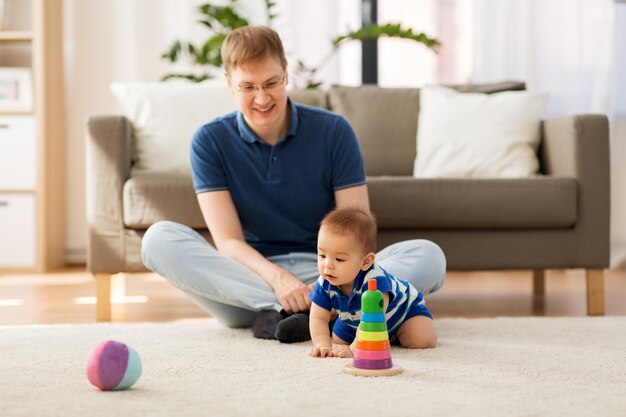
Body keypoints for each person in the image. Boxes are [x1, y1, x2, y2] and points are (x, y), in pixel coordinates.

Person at [141, 25, 446, 343]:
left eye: (271, 83)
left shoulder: (333, 131)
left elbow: (355, 230)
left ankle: (295, 314)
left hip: (333, 276)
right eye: (248, 86)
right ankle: (310, 312)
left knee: (428, 256)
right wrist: (279, 281)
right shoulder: (209, 140)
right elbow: (229, 242)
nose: (261, 98)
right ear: (229, 82)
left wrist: (325, 286)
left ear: (286, 74)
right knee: (158, 240)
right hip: (248, 282)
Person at [309, 207, 437, 358]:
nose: (327, 265)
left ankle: (393, 334)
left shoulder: (375, 282)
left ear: (366, 261)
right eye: (322, 255)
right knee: (338, 340)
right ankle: (376, 337)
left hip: (402, 314)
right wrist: (322, 345)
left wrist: (353, 349)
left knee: (422, 340)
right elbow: (318, 317)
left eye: (339, 259)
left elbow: (373, 320)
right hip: (354, 321)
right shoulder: (325, 282)